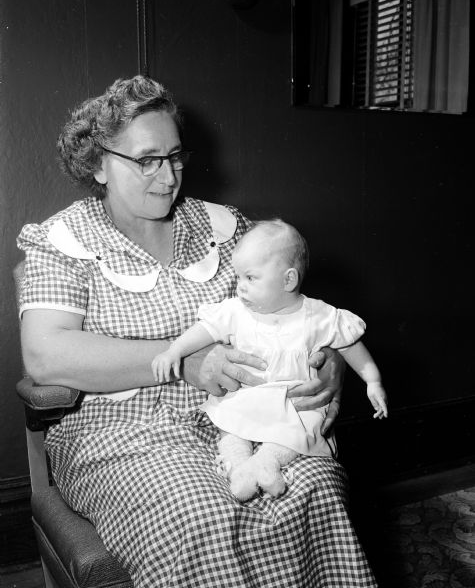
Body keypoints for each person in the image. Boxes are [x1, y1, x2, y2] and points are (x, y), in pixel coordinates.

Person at [17, 75, 377, 587]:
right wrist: (181, 361)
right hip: (119, 435)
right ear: (97, 163)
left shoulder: (223, 227)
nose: (168, 177)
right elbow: (47, 355)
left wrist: (331, 357)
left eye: (175, 156)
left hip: (242, 419)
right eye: (146, 160)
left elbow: (289, 303)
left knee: (316, 486)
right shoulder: (64, 240)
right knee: (199, 513)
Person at [152, 219, 388, 501]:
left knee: (297, 431)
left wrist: (373, 381)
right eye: (238, 277)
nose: (240, 287)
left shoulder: (319, 316)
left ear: (288, 279)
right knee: (231, 427)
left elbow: (351, 346)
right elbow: (204, 330)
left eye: (250, 278)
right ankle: (239, 467)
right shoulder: (236, 311)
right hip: (249, 395)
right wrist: (174, 350)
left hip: (294, 402)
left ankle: (267, 462)